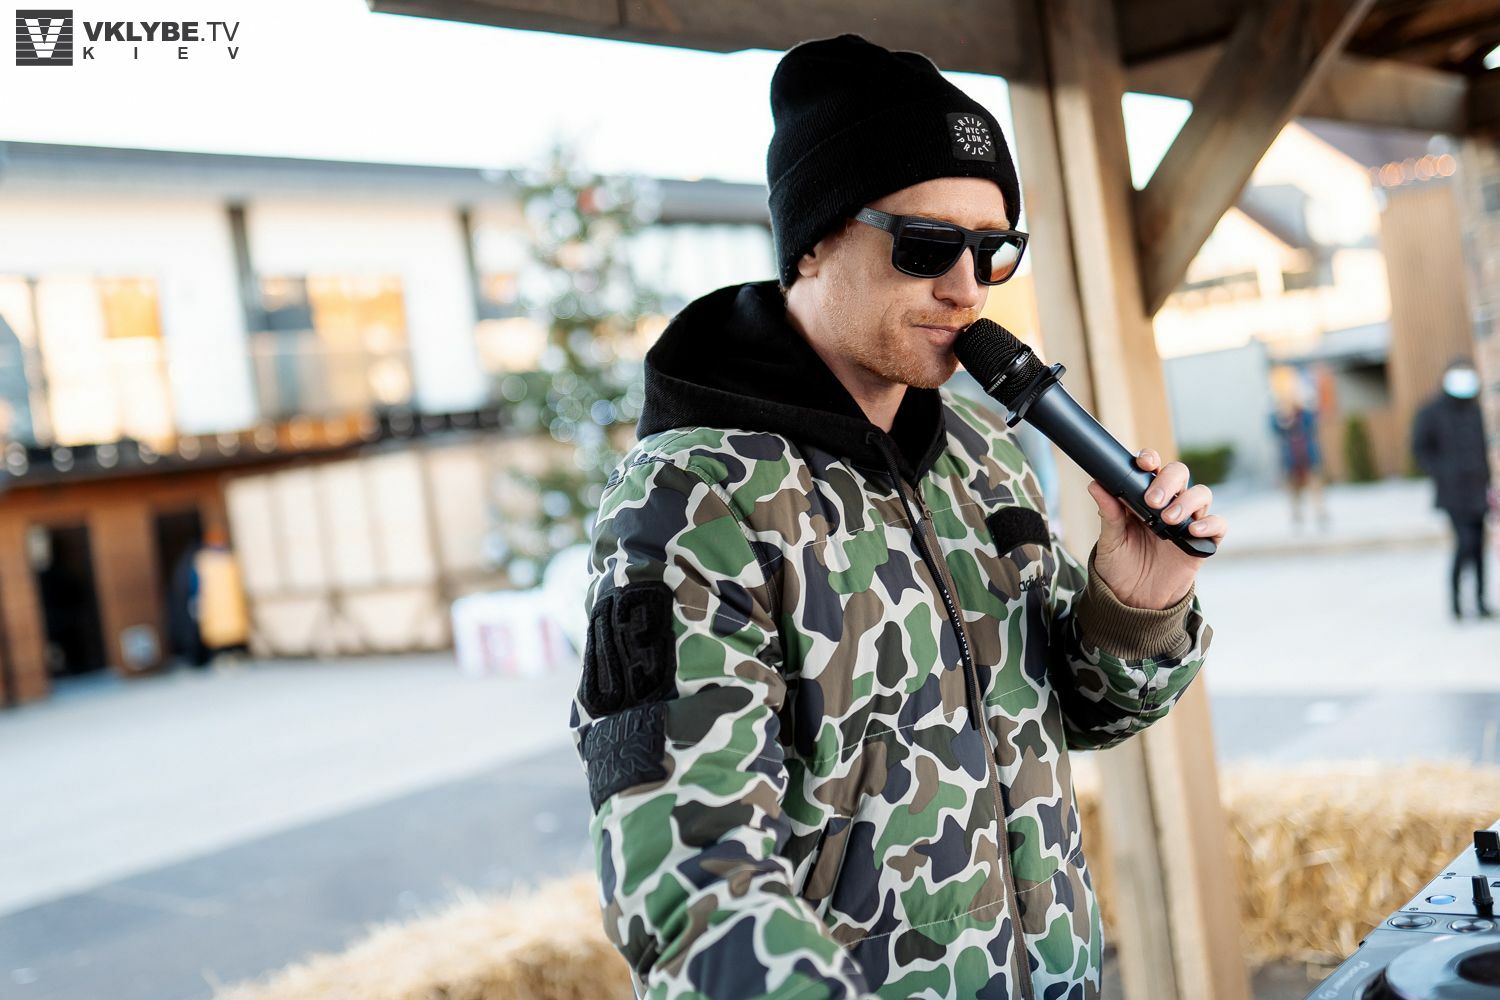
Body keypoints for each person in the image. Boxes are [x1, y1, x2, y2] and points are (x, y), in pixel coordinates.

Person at [568, 34, 1227, 999]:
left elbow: (1071, 717)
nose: (967, 288)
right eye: (925, 246)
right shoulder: (691, 498)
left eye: (994, 250)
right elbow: (688, 889)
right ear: (814, 240)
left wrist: (1134, 607)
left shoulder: (981, 448)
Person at [1412, 358, 1493, 619]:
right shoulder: (1431, 411)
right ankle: (1457, 602)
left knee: (1479, 547)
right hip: (1452, 492)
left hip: (1478, 489)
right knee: (1465, 543)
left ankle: (1480, 601)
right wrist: (1442, 472)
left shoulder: (1475, 410)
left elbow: (1483, 449)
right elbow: (1420, 449)